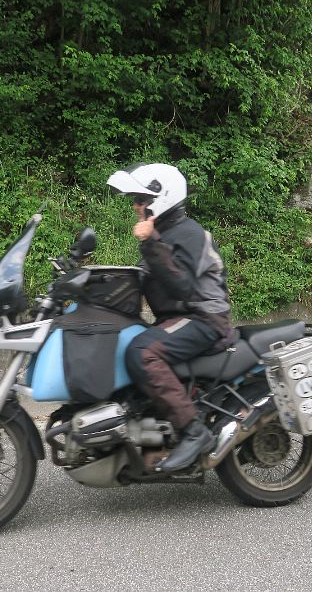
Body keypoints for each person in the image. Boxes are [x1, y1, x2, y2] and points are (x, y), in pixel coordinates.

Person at [106, 163, 233, 472]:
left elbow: (182, 286)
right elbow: (144, 278)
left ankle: (194, 431)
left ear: (160, 199)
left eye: (140, 199)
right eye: (135, 200)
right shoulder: (166, 233)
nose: (135, 206)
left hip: (204, 318)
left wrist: (150, 242)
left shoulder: (189, 234)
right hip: (180, 317)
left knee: (143, 352)